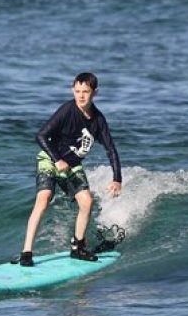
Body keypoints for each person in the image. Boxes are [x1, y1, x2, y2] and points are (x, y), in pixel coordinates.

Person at [18, 72, 122, 267]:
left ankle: (77, 247)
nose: (81, 96)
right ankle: (26, 252)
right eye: (77, 91)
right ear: (72, 90)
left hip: (72, 166)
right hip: (49, 160)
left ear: (95, 93)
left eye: (86, 92)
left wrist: (117, 179)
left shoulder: (98, 120)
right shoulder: (67, 110)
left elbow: (111, 149)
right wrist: (57, 159)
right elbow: (41, 136)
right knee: (44, 198)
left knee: (87, 201)